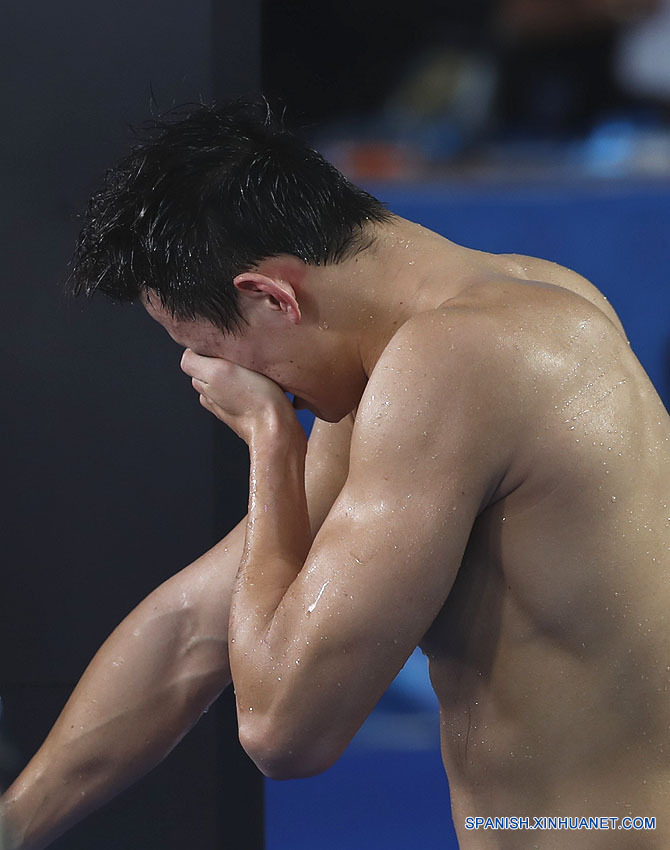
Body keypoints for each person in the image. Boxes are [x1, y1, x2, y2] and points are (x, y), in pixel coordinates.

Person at [1, 100, 668, 850]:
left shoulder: (457, 362)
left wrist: (268, 440)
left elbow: (283, 730)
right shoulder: (516, 309)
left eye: (215, 352)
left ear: (270, 296)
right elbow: (193, 628)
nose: (226, 380)